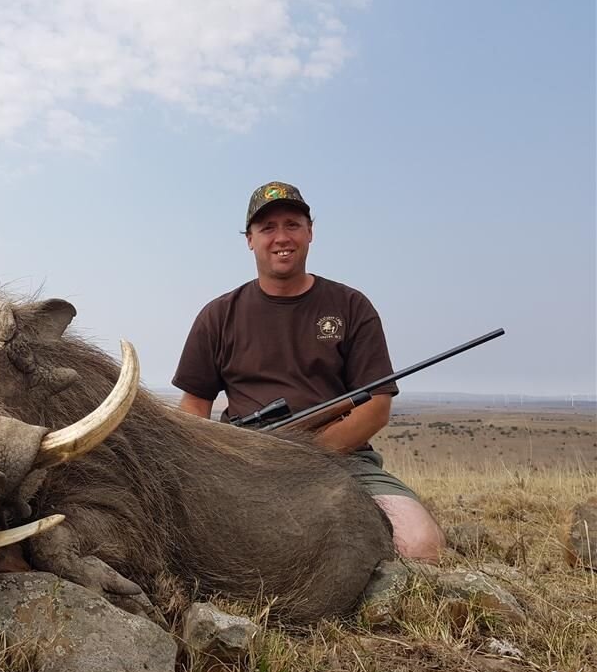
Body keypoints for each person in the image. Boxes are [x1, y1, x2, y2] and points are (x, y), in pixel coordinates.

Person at [172, 181, 445, 563]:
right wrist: (217, 460)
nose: (281, 238)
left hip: (345, 461)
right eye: (267, 228)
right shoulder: (219, 315)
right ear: (249, 239)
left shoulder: (351, 306)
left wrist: (310, 453)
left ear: (310, 232)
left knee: (419, 544)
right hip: (243, 462)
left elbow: (377, 405)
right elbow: (194, 406)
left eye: (292, 225)